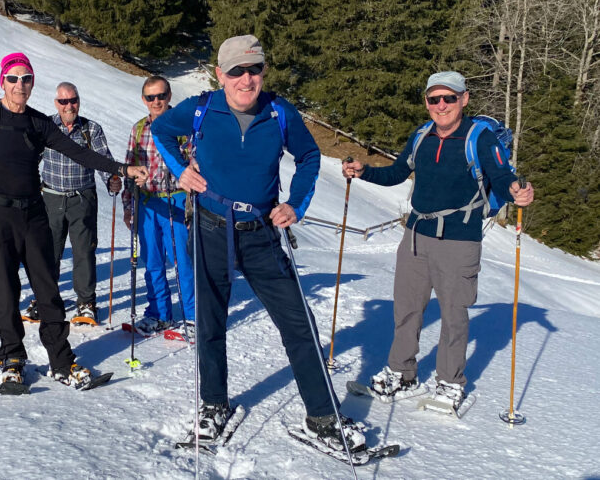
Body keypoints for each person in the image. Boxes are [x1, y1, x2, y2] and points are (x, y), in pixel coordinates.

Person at [152, 35, 365, 452]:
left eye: (254, 70)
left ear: (264, 71)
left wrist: (296, 204)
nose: (246, 80)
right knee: (210, 323)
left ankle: (322, 416)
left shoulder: (279, 112)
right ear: (221, 74)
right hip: (211, 228)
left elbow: (309, 157)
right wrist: (180, 170)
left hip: (261, 232)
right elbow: (160, 130)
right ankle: (214, 405)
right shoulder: (200, 108)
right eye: (237, 71)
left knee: (298, 323)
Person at [0, 52, 147, 391]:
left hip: (34, 213)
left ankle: (61, 361)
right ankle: (11, 359)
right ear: (2, 81)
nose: (19, 85)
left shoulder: (37, 122)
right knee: (6, 290)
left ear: (33, 83)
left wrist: (121, 169)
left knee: (48, 290)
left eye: (26, 79)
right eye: (13, 78)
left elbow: (78, 152)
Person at [341, 70, 534, 411]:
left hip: (459, 240)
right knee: (407, 308)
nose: (441, 105)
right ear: (426, 102)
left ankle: (450, 382)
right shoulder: (421, 136)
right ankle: (402, 373)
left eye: (449, 98)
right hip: (416, 237)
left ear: (464, 99)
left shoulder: (480, 139)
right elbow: (397, 173)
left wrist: (517, 191)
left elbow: (502, 176)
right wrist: (364, 170)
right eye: (434, 99)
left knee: (454, 314)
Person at [29, 82, 122, 324]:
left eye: (73, 100)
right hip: (51, 197)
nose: (69, 106)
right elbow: (31, 158)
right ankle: (44, 299)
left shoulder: (91, 129)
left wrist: (111, 179)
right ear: (56, 103)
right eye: (63, 101)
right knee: (48, 251)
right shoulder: (46, 127)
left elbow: (103, 159)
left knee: (83, 252)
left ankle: (86, 303)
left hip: (82, 199)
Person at [121, 75, 195, 335]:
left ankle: (193, 316)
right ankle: (159, 314)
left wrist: (193, 207)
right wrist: (128, 205)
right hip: (147, 202)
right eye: (151, 97)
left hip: (176, 199)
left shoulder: (184, 127)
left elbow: (196, 166)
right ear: (144, 99)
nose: (156, 101)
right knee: (152, 260)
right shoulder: (139, 129)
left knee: (183, 261)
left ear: (169, 96)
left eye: (161, 96)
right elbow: (129, 167)